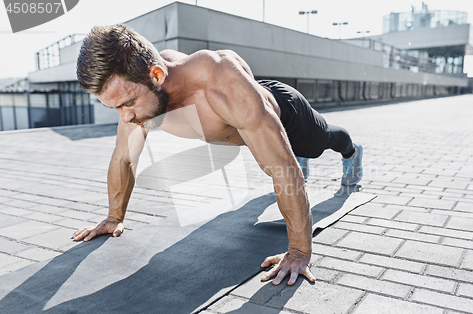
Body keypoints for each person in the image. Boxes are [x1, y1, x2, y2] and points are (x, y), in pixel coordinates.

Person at [72, 24, 363, 286]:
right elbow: (124, 156)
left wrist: (299, 251)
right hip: (247, 123)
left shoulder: (219, 82)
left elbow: (282, 170)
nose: (125, 117)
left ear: (157, 75)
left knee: (323, 141)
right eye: (116, 109)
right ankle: (289, 150)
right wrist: (114, 216)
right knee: (277, 154)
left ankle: (352, 153)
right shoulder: (141, 92)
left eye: (129, 103)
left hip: (286, 114)